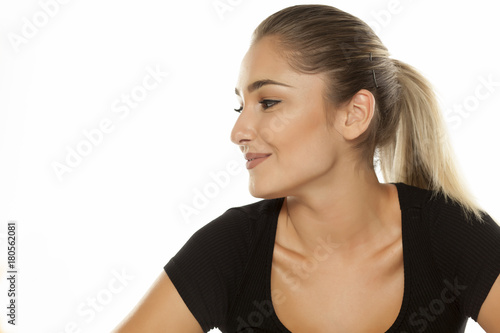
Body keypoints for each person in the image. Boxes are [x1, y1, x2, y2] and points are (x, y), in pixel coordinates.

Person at [113, 5, 500, 332]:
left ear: (354, 114)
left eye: (268, 102)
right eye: (240, 106)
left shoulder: (452, 234)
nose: (238, 131)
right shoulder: (231, 249)